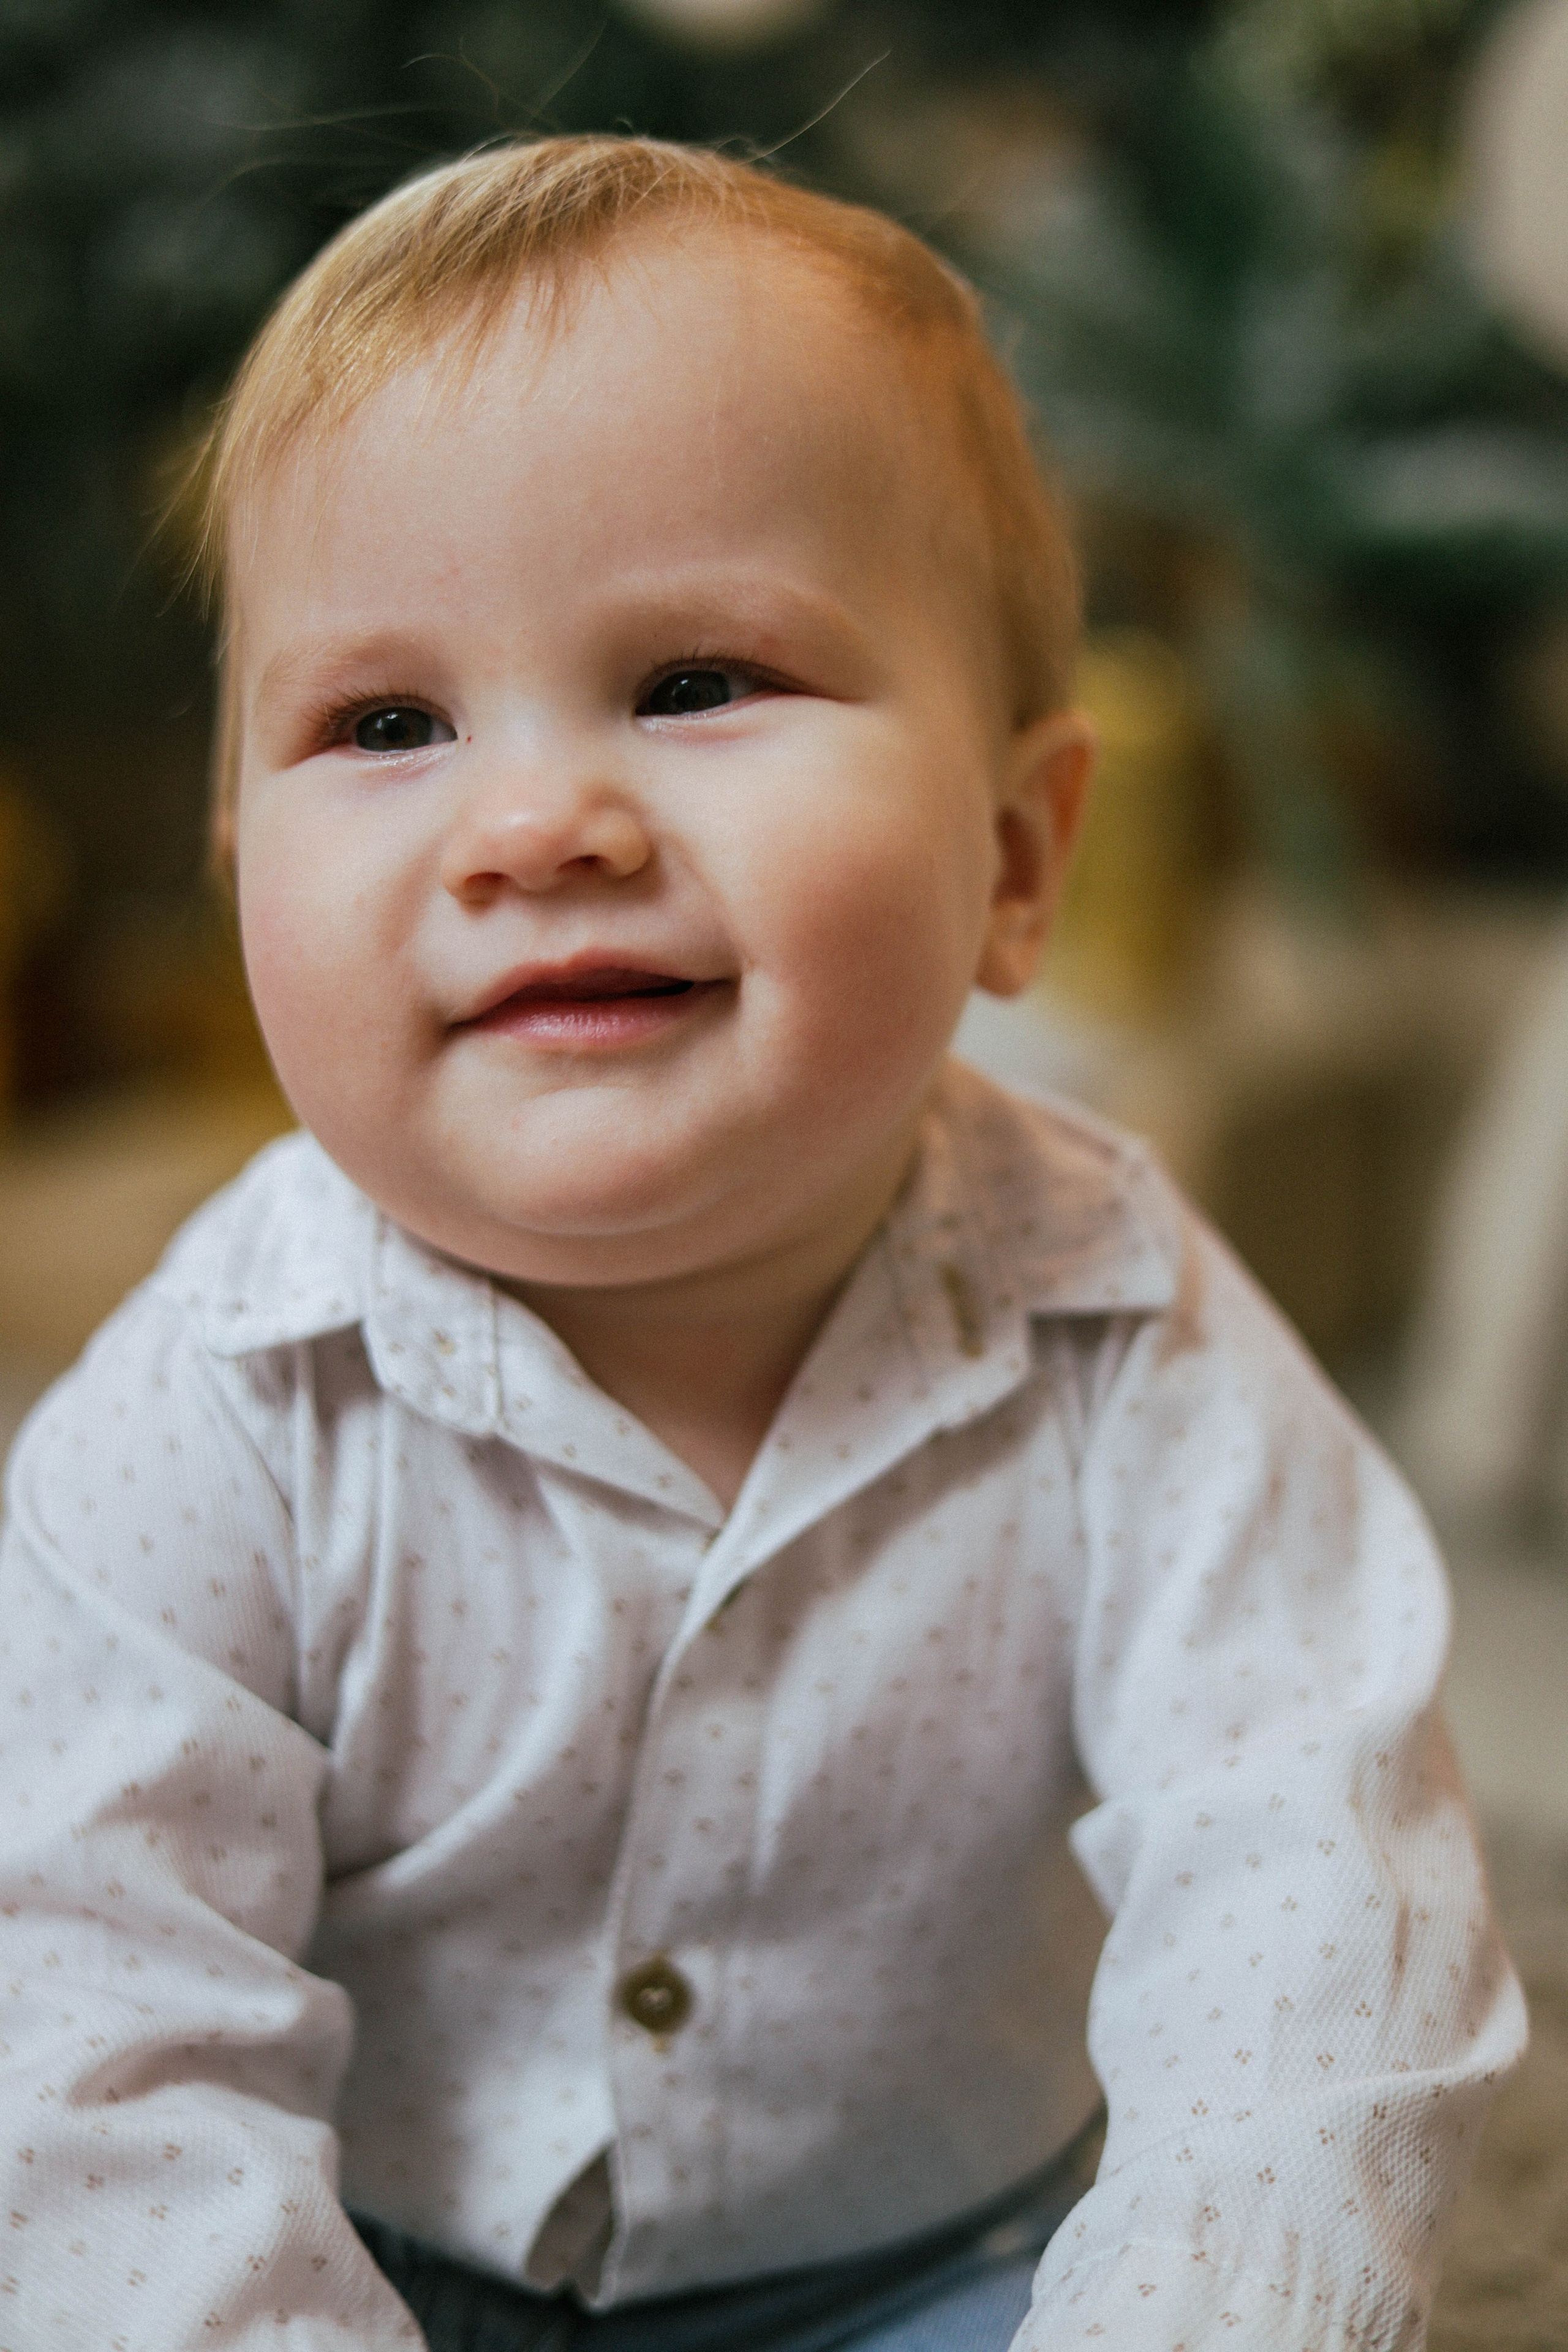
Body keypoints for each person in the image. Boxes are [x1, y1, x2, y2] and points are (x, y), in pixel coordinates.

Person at [0, 137, 1521, 2352]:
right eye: (387, 724)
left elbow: (1320, 1909)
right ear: (242, 873)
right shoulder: (210, 1411)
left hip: (959, 2272)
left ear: (1016, 859)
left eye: (697, 681)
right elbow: (91, 2027)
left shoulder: (1123, 1322)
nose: (535, 827)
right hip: (367, 2267)